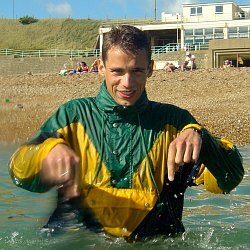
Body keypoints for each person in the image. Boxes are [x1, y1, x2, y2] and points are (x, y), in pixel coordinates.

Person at [9, 25, 244, 240]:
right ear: (100, 67)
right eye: (117, 71)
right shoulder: (72, 115)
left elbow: (227, 181)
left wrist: (202, 138)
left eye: (137, 71)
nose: (127, 83)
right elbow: (21, 176)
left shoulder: (176, 123)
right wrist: (45, 152)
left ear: (151, 69)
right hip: (79, 240)